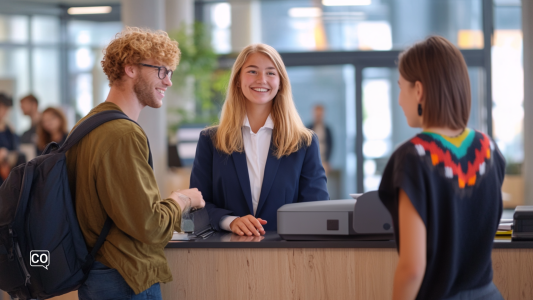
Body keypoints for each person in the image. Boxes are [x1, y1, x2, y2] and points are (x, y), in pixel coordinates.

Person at [65, 27, 205, 300]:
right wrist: (182, 199)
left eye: (170, 72)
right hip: (124, 277)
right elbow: (149, 225)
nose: (168, 82)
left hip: (97, 271)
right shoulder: (122, 134)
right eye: (161, 71)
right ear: (131, 69)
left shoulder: (87, 125)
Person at [378, 36, 505, 300]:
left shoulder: (414, 157)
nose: (400, 100)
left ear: (419, 91)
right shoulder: (489, 150)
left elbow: (413, 268)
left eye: (401, 88)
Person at [190, 43, 329, 236]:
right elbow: (196, 206)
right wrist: (230, 221)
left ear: (280, 82)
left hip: (287, 257)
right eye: (252, 71)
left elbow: (316, 209)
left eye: (271, 73)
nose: (262, 80)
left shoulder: (303, 143)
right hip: (224, 257)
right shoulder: (211, 141)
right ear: (238, 80)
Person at [307, 104, 333, 174]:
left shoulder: (327, 129)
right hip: (311, 160)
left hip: (323, 160)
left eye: (320, 114)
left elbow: (330, 145)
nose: (318, 116)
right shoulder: (308, 128)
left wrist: (328, 160)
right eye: (317, 114)